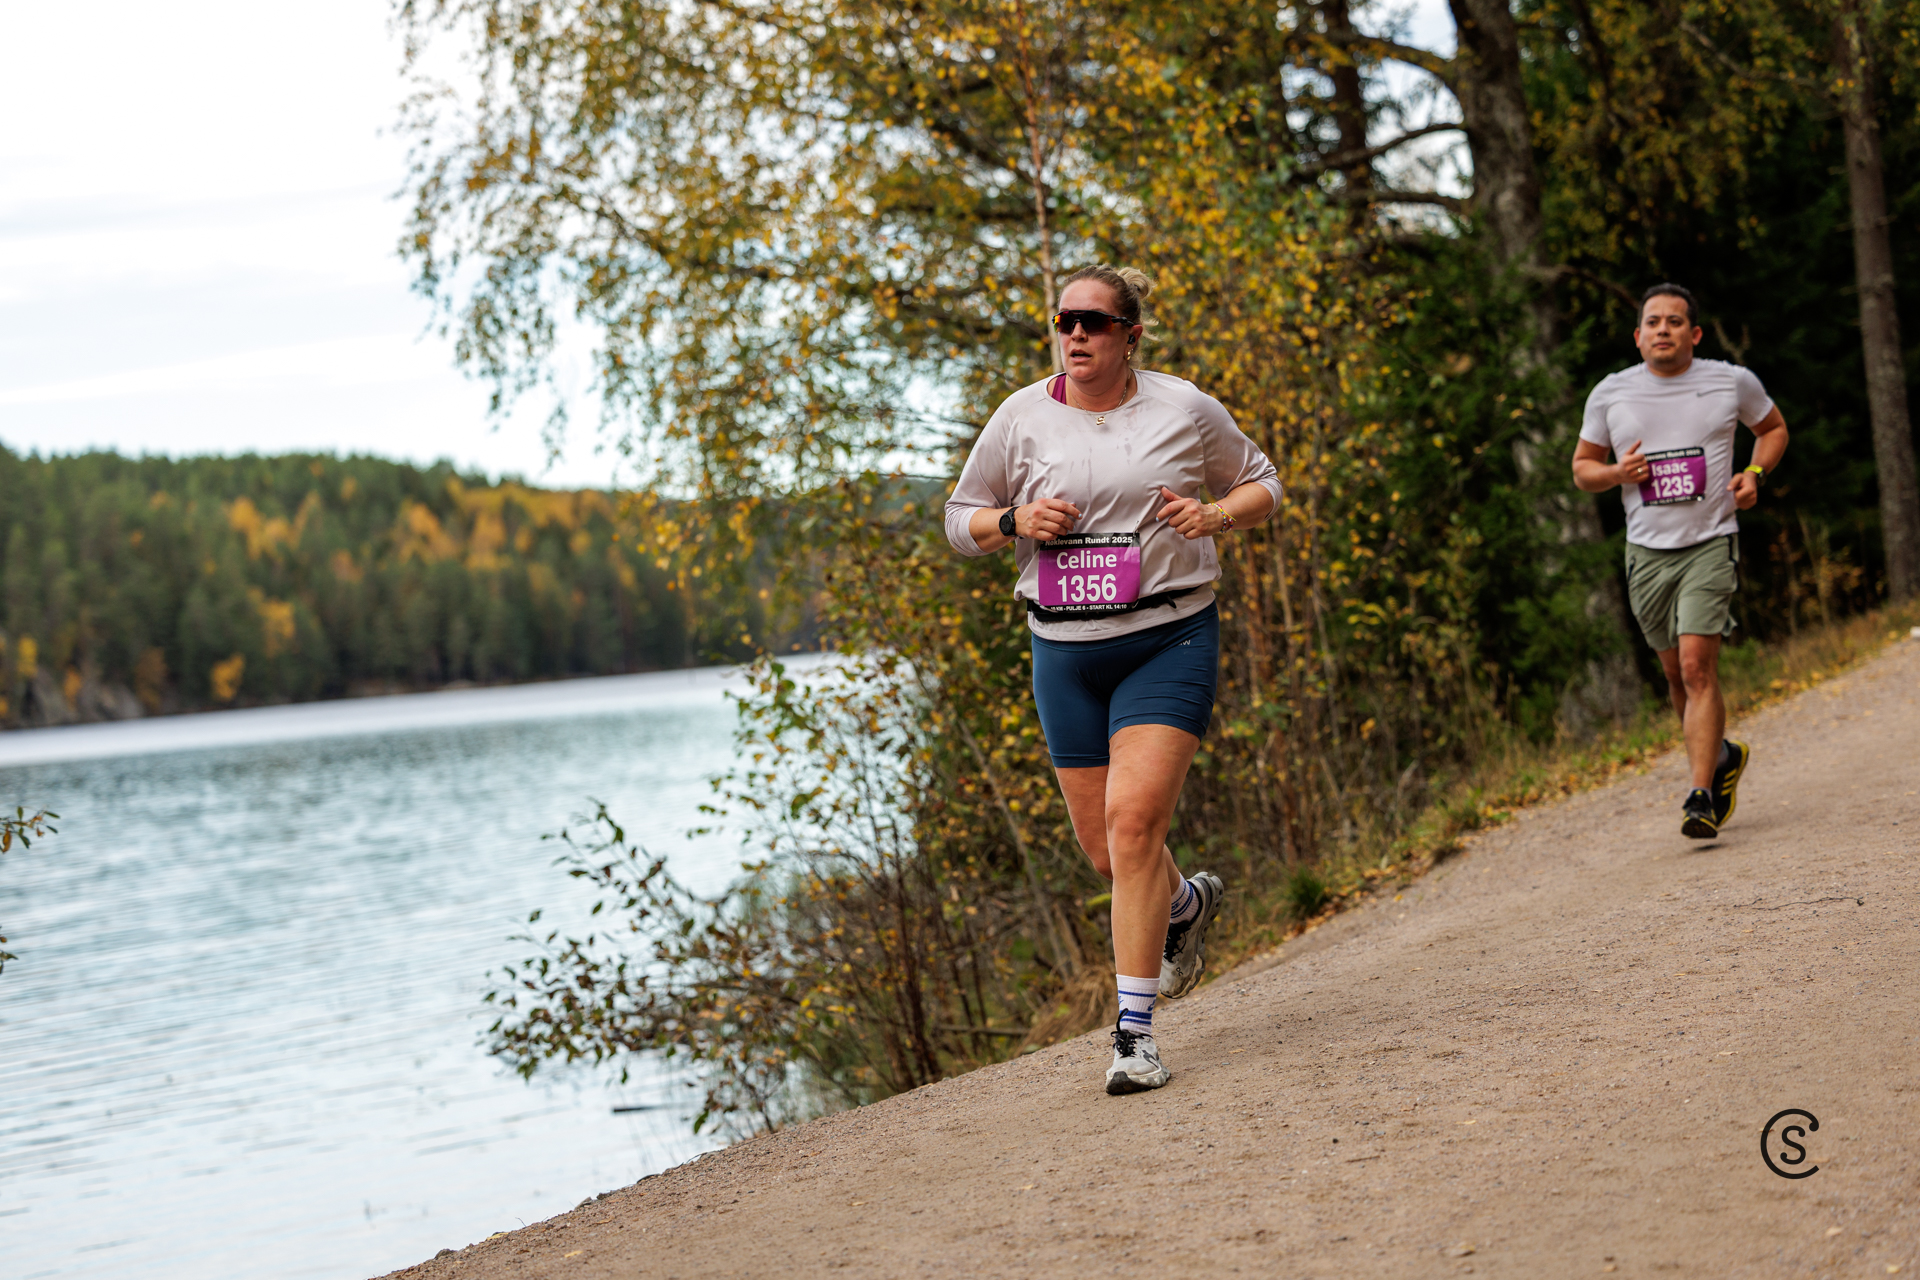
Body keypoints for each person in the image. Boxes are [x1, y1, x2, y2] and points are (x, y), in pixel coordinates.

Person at [943, 266, 1281, 1095]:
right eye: (1065, 320)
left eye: (1094, 322)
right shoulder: (1020, 417)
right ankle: (1185, 907)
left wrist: (1214, 514)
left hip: (1168, 636)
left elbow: (1263, 483)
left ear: (1131, 335)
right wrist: (1015, 520)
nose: (1076, 334)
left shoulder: (1182, 407)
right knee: (1107, 853)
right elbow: (959, 522)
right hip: (1063, 652)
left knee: (1134, 828)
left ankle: (1135, 1039)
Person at [1573, 284, 1789, 839]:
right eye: (1653, 322)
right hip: (1647, 553)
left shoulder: (1730, 381)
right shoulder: (1611, 392)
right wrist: (1617, 473)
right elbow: (1582, 468)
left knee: (1696, 668)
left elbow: (1772, 429)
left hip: (1710, 541)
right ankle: (1721, 756)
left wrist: (1754, 474)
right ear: (1638, 336)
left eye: (1674, 321)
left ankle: (1700, 795)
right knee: (1674, 675)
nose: (1662, 330)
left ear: (1694, 334)